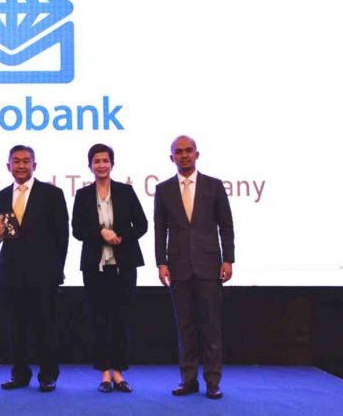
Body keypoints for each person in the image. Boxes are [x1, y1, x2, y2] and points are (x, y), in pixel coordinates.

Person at [154, 135, 234, 400]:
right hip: (178, 267)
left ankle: (213, 381)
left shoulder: (214, 186)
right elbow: (160, 229)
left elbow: (226, 225)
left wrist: (228, 259)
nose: (184, 155)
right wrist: (161, 262)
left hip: (210, 265)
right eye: (179, 152)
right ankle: (188, 380)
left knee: (211, 326)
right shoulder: (163, 189)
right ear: (172, 158)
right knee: (185, 327)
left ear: (197, 154)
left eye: (189, 151)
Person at [0, 145, 69, 392]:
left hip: (44, 273)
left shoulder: (52, 194)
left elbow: (62, 236)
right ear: (8, 166)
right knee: (16, 327)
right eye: (16, 161)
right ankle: (19, 374)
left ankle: (48, 375)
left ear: (35, 165)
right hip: (12, 272)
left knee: (46, 325)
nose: (21, 165)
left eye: (26, 161)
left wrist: (58, 269)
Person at [71, 143, 147, 393]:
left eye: (105, 160)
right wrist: (100, 233)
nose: (101, 165)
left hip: (124, 266)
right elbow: (77, 230)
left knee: (120, 319)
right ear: (90, 165)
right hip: (95, 267)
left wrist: (121, 236)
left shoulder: (126, 191)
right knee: (99, 320)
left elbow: (143, 225)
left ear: (112, 164)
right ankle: (104, 373)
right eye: (96, 161)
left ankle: (119, 373)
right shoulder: (82, 195)